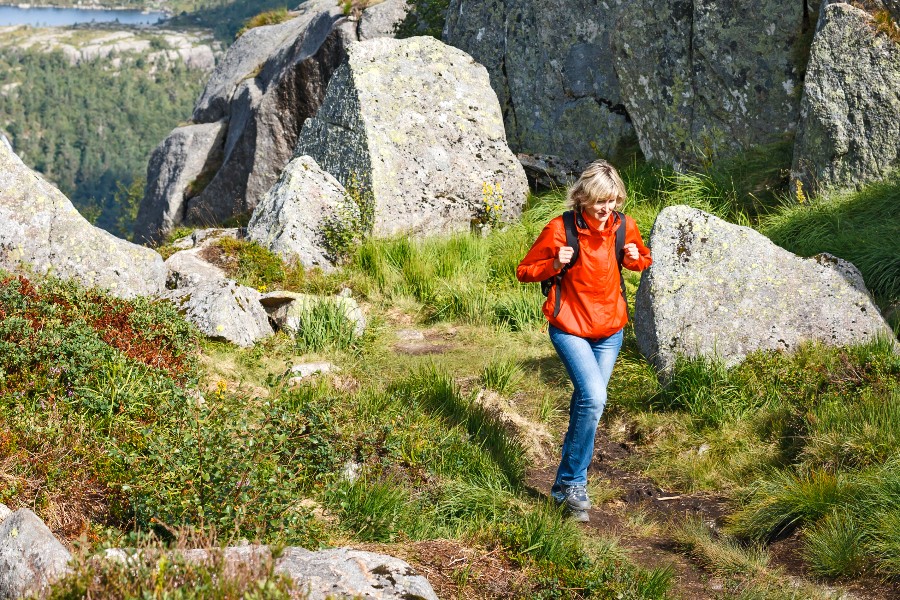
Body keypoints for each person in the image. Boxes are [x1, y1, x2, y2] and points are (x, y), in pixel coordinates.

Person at [516, 159, 652, 520]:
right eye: (599, 202)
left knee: (589, 404)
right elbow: (524, 271)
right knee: (594, 397)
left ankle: (563, 487)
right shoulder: (560, 229)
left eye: (612, 201)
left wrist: (636, 258)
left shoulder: (624, 226)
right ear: (582, 199)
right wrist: (554, 265)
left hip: (610, 331)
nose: (606, 209)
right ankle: (575, 483)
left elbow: (642, 260)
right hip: (570, 327)